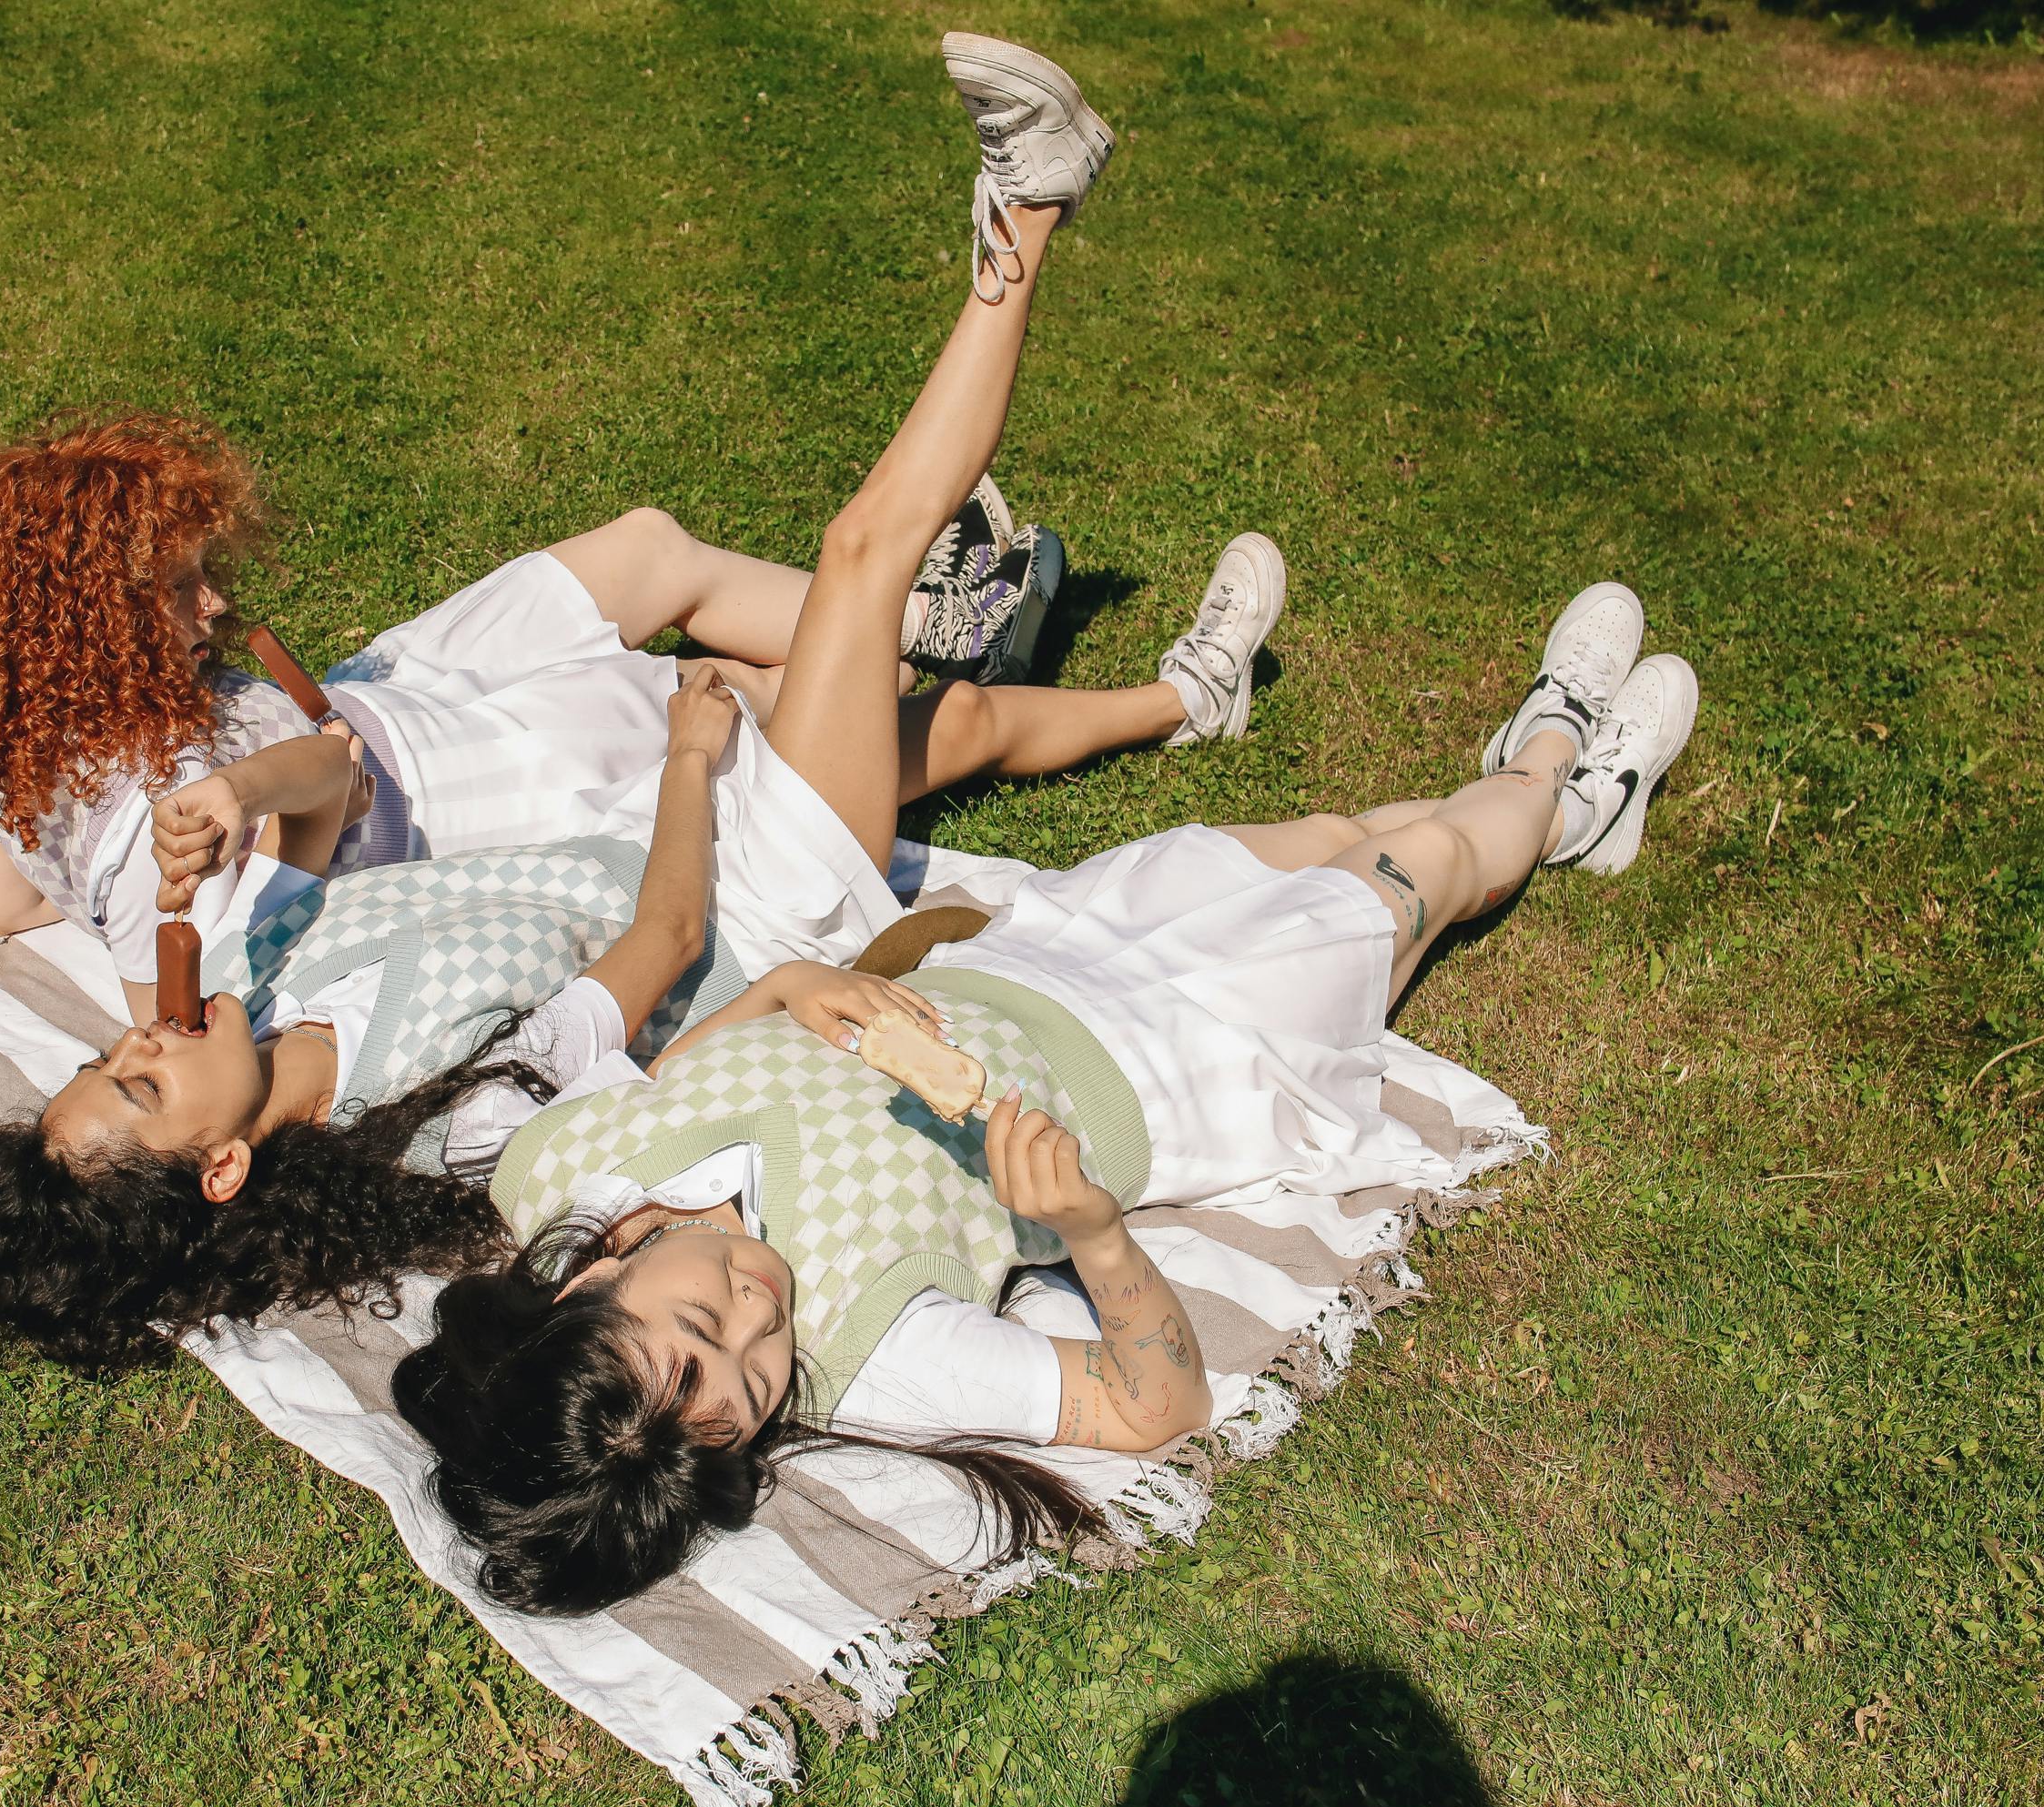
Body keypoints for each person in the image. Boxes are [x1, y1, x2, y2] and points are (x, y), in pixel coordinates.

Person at [384, 35, 1701, 1617]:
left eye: (693, 1325)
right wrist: (1083, 1226)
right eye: (747, 1374)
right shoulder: (876, 1354)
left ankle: (1549, 806)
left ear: (587, 1283)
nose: (756, 1311)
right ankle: (1562, 759)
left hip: (1050, 948)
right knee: (1421, 873)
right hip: (1185, 1057)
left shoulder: (556, 1168)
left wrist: (800, 993)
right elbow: (1154, 1407)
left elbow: (709, 1026)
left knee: (1350, 825)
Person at [0, 33, 1298, 1376]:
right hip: (756, 896)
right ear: (220, 1168)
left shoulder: (257, 977)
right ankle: (1028, 212)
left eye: (106, 1052)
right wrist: (693, 756)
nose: (137, 1035)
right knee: (868, 547)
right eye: (138, 1082)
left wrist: (242, 796)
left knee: (951, 721)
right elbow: (672, 938)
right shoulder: (446, 1114)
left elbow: (325, 789)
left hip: (677, 823)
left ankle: (1185, 698)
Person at [0, 415, 1276, 1031]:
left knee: (644, 553)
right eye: (179, 589)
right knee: (912, 727)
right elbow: (237, 922)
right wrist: (245, 809)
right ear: (81, 622)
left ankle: (934, 620)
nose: (215, 607)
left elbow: (7, 904)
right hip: (480, 794)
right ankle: (1177, 701)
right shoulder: (172, 851)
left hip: (401, 694)